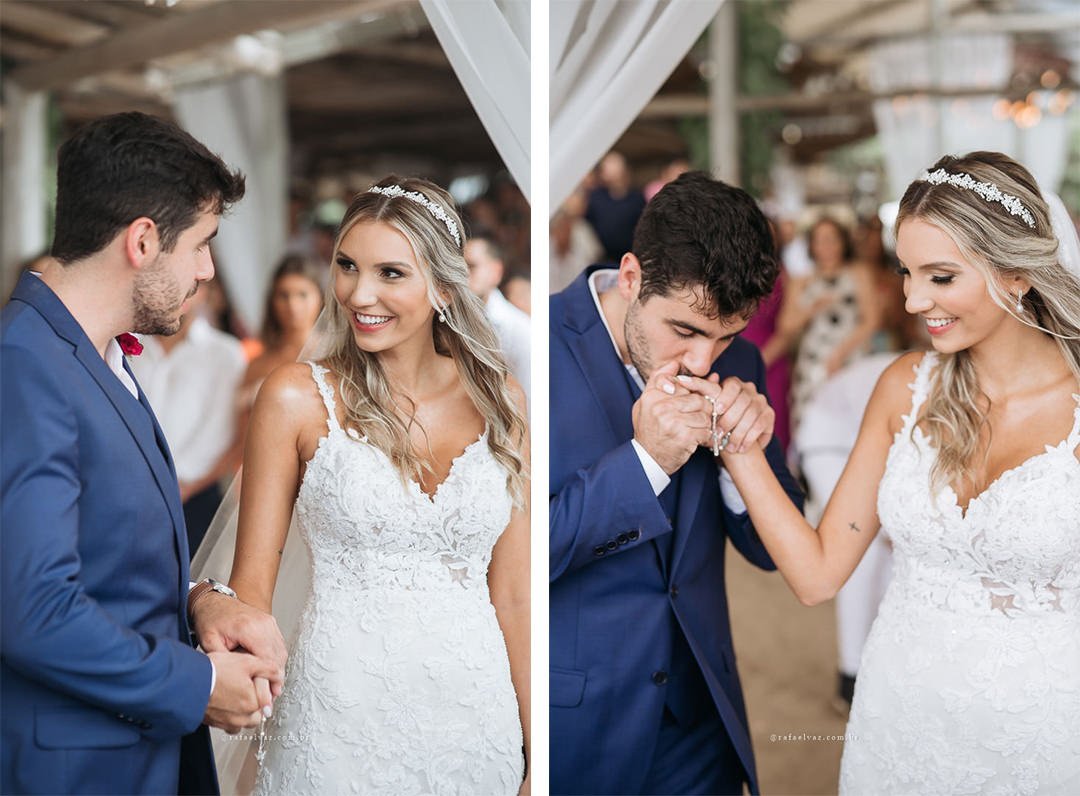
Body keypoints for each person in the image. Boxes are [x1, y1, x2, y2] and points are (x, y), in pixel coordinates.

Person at [693, 151, 1080, 793]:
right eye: (906, 271)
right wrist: (736, 443)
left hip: (1042, 729)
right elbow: (817, 576)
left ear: (1016, 273)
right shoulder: (905, 388)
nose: (912, 298)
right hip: (900, 721)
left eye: (941, 276)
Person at [208, 177, 531, 795]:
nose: (359, 293)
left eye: (390, 273)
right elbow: (253, 598)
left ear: (442, 285)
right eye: (348, 267)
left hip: (476, 717)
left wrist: (534, 752)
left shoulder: (502, 401)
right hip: (336, 720)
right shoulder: (294, 398)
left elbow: (513, 594)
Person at [1, 111, 286, 795]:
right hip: (77, 770)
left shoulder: (93, 352)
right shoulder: (25, 364)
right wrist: (199, 682)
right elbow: (31, 609)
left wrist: (199, 602)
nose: (208, 270)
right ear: (143, 241)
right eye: (202, 244)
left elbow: (101, 554)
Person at [550, 171, 803, 796]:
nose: (702, 362)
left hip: (700, 727)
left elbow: (774, 551)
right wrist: (646, 462)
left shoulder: (737, 364)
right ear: (632, 276)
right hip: (577, 723)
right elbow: (520, 553)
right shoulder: (532, 350)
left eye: (726, 337)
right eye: (685, 330)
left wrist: (743, 459)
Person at [130, 285, 247, 554]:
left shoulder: (225, 352)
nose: (181, 294)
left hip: (191, 494)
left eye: (192, 288)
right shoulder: (129, 343)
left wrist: (179, 486)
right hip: (128, 487)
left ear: (205, 292)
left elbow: (217, 430)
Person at [782, 216, 882, 435]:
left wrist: (840, 354)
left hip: (852, 355)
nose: (826, 246)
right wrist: (811, 309)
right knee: (812, 420)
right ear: (811, 245)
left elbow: (872, 320)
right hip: (814, 361)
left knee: (856, 420)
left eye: (831, 239)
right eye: (820, 240)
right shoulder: (802, 280)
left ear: (843, 242)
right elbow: (787, 326)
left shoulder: (858, 272)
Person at [237, 254, 324, 409]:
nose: (293, 305)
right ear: (272, 301)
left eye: (303, 295)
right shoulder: (258, 364)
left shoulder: (335, 354)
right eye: (284, 295)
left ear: (320, 297)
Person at [463, 233, 531, 403]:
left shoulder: (521, 330)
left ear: (496, 271)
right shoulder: (445, 318)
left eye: (471, 266)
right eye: (458, 267)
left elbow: (530, 402)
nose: (463, 275)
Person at [585, 151, 646, 263]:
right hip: (599, 257)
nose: (609, 168)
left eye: (613, 164)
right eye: (607, 165)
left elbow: (642, 225)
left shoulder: (637, 197)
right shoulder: (595, 196)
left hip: (629, 256)